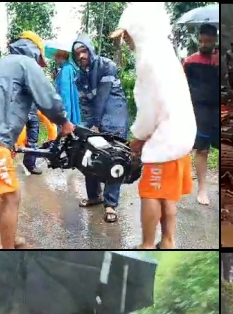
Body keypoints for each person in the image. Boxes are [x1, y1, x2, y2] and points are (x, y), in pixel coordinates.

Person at [0, 31, 74, 249]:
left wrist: (8, 141)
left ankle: (2, 239)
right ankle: (8, 251)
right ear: (35, 52)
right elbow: (47, 98)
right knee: (12, 195)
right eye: (40, 60)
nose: (41, 65)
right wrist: (64, 122)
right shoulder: (25, 64)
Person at [109, 3, 196, 249]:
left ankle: (147, 245)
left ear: (137, 30)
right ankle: (168, 241)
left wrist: (138, 138)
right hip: (181, 136)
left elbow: (149, 109)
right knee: (167, 195)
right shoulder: (166, 53)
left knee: (150, 192)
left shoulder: (149, 59)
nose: (125, 40)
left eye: (126, 34)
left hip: (164, 139)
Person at [71, 35, 129, 223]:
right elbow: (85, 103)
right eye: (77, 53)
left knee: (113, 160)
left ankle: (110, 203)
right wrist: (88, 126)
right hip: (95, 120)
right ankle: (95, 195)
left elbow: (102, 98)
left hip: (115, 117)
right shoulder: (79, 77)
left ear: (90, 50)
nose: (81, 56)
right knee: (88, 157)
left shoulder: (107, 66)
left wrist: (95, 124)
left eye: (84, 51)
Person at [184, 23, 220, 206]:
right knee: (203, 149)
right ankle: (202, 189)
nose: (203, 44)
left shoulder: (220, 61)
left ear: (215, 41)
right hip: (200, 110)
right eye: (201, 41)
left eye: (208, 41)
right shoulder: (190, 62)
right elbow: (182, 87)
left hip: (220, 110)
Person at [52, 48, 82, 130]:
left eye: (56, 56)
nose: (55, 58)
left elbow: (64, 92)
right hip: (70, 107)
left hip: (65, 108)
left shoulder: (65, 70)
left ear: (61, 57)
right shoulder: (70, 68)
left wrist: (64, 113)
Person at [21, 103, 44, 175]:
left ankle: (30, 164)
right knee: (11, 137)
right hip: (17, 110)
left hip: (33, 110)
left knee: (33, 139)